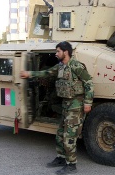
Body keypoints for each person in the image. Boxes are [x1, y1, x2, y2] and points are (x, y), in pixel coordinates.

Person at [20, 41, 94, 175]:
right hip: (66, 105)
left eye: (58, 51)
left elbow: (88, 82)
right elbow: (46, 73)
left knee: (69, 136)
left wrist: (88, 102)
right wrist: (29, 74)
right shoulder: (60, 66)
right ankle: (61, 158)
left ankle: (71, 165)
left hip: (76, 106)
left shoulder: (76, 66)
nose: (56, 54)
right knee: (60, 133)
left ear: (65, 52)